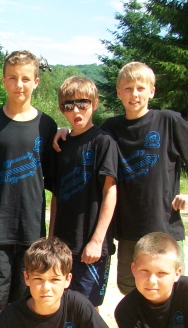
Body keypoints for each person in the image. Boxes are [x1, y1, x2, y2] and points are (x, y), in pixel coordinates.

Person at [54, 62, 188, 295]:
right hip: (127, 231)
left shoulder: (167, 121)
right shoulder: (112, 128)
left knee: (168, 291)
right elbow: (85, 130)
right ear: (119, 93)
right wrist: (63, 130)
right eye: (128, 89)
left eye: (140, 88)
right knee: (130, 290)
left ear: (152, 91)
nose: (134, 94)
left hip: (164, 226)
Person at [0, 51, 58, 328]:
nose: (19, 84)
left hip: (31, 230)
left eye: (25, 78)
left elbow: (54, 181)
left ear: (36, 81)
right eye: (12, 78)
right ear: (3, 81)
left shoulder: (47, 125)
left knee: (27, 300)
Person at [49, 76, 118, 310]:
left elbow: (110, 191)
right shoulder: (61, 145)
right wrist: (52, 238)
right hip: (63, 244)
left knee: (88, 308)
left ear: (94, 104)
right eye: (68, 106)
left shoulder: (103, 141)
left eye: (82, 103)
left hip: (91, 245)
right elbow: (56, 195)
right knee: (62, 305)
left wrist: (97, 241)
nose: (76, 111)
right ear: (62, 109)